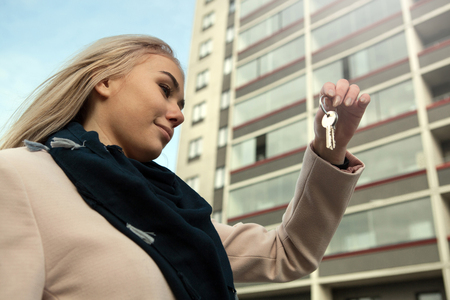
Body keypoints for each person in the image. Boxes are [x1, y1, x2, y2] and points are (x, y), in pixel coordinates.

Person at [0, 35, 370, 299]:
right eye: (165, 89)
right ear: (105, 80)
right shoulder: (17, 177)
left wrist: (330, 144)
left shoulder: (177, 217)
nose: (178, 115)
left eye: (181, 102)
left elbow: (288, 253)